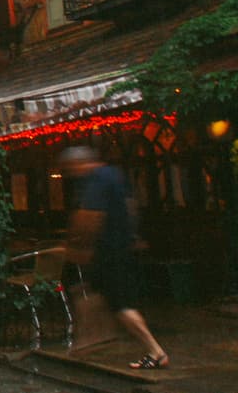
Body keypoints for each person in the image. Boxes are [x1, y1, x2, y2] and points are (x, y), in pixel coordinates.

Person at [61, 145, 169, 369]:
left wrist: (77, 247)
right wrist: (132, 235)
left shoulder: (95, 180)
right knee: (92, 293)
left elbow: (90, 217)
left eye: (70, 169)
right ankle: (90, 341)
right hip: (120, 248)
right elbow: (130, 207)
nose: (71, 174)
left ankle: (155, 350)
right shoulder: (114, 174)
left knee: (121, 305)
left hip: (109, 252)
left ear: (78, 164)